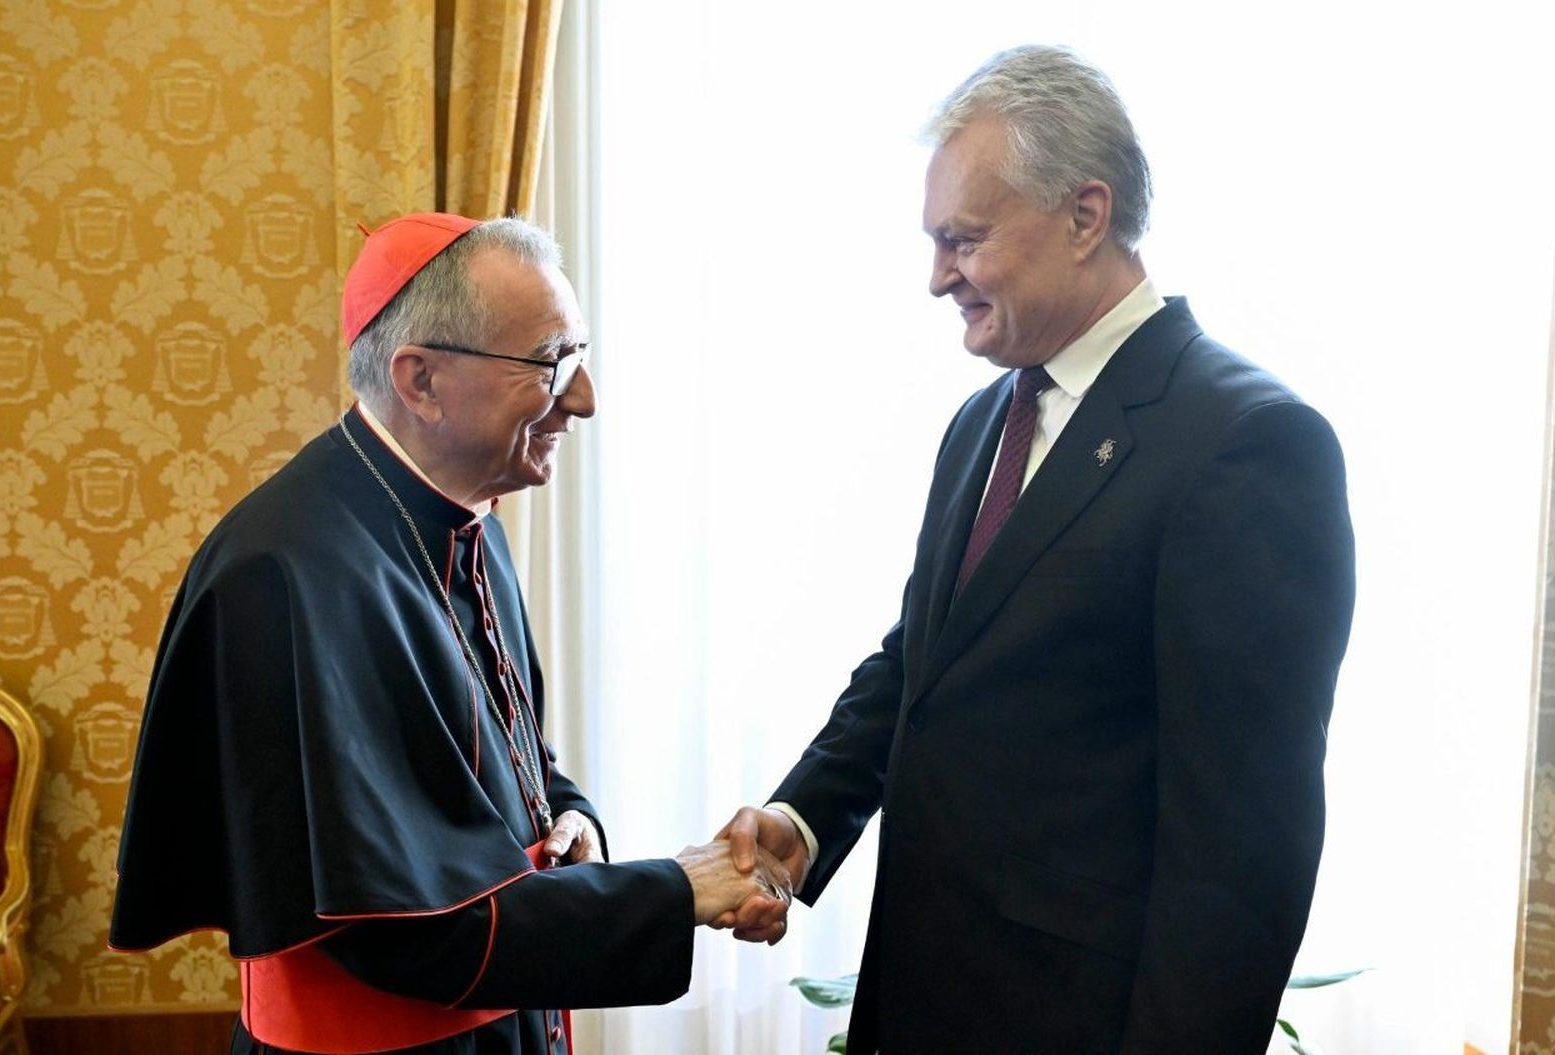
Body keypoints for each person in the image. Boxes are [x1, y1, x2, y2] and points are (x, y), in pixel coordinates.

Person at [717, 45, 1356, 1054]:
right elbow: (920, 666)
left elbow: (1243, 845)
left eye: (962, 240)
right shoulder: (983, 421)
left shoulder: (1245, 443)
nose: (936, 278)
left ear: (1084, 215)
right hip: (923, 1004)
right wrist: (802, 819)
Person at [110, 213, 789, 1055]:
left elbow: (492, 765)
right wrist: (674, 890)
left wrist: (569, 818)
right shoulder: (285, 573)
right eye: (551, 362)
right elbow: (396, 926)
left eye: (577, 356)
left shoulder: (468, 515)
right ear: (421, 379)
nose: (583, 397)